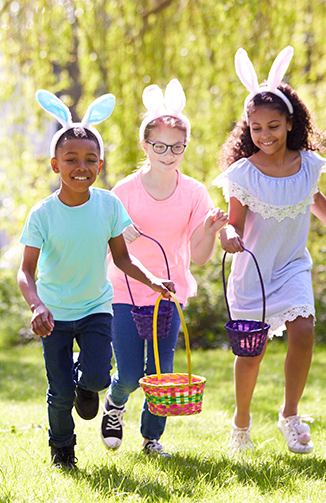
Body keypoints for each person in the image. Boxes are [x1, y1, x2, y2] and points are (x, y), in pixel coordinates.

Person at [18, 90, 175, 470]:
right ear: (55, 165)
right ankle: (63, 451)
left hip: (95, 309)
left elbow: (121, 257)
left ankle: (86, 385)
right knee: (58, 393)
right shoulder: (42, 214)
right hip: (54, 314)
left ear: (100, 165)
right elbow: (25, 271)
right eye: (70, 159)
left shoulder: (108, 205)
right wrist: (37, 305)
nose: (80, 166)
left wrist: (153, 280)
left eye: (90, 160)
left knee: (97, 377)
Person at [215, 47, 326, 454]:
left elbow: (313, 198)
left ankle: (290, 414)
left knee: (304, 331)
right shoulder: (242, 174)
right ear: (247, 129)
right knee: (252, 354)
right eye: (256, 128)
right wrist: (227, 236)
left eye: (273, 126)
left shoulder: (308, 164)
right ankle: (242, 422)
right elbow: (234, 222)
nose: (266, 135)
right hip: (254, 272)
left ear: (290, 123)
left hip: (291, 266)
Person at [101, 79, 228, 457]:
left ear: (185, 147)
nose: (168, 153)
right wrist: (119, 230)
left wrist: (208, 229)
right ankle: (115, 401)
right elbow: (105, 239)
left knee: (162, 374)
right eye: (159, 146)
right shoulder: (123, 191)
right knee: (128, 373)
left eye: (176, 147)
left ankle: (151, 439)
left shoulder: (194, 193)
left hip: (169, 295)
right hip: (125, 290)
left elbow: (201, 256)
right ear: (145, 146)